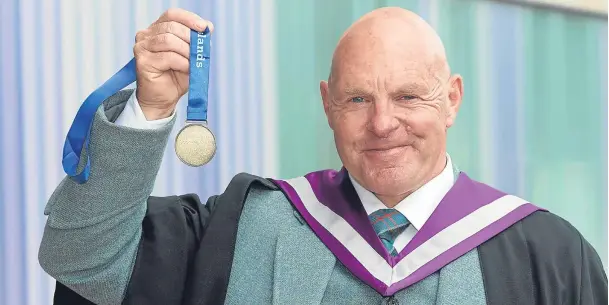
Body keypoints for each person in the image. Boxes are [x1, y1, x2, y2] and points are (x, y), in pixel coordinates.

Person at [39, 7, 606, 305]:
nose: (384, 123)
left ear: (452, 99)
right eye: (358, 98)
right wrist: (151, 108)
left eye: (408, 96)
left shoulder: (550, 257)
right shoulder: (244, 227)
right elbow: (82, 260)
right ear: (328, 104)